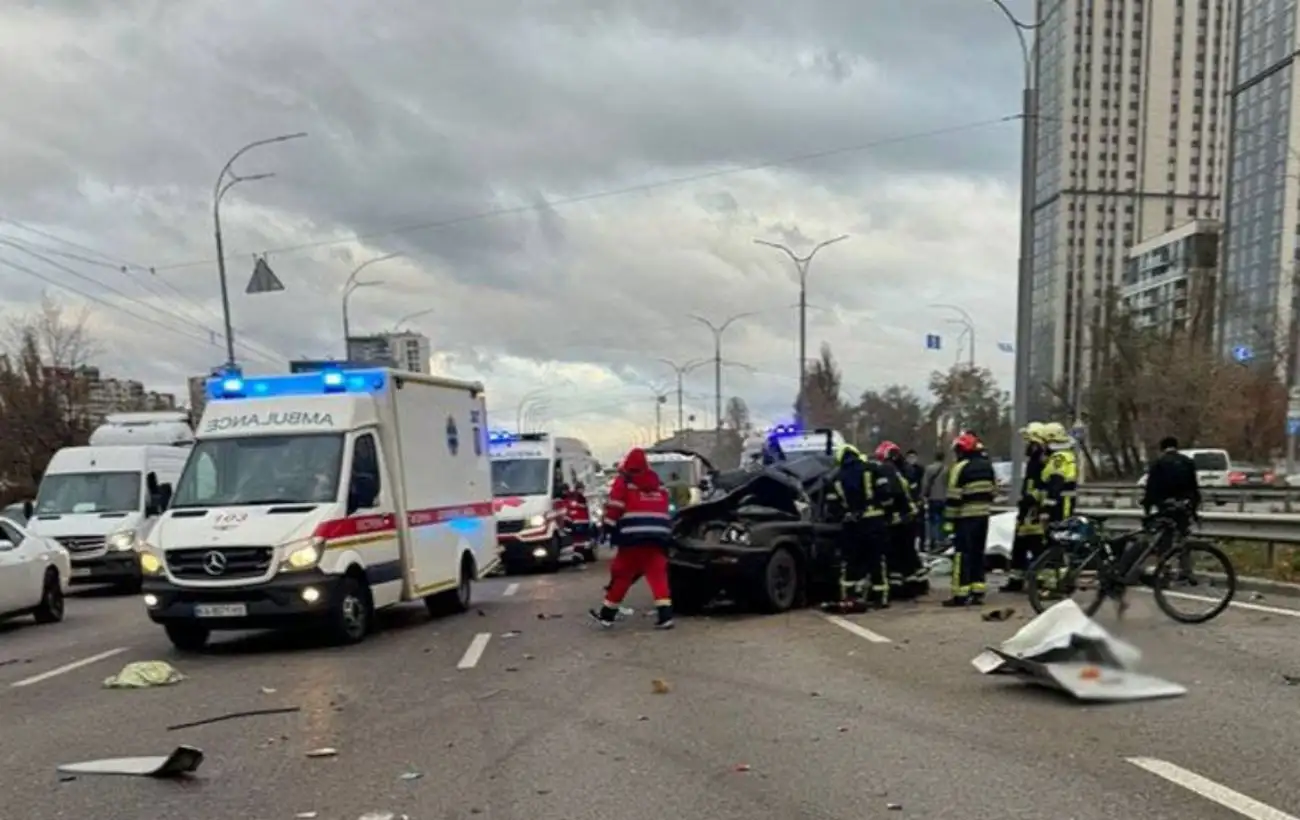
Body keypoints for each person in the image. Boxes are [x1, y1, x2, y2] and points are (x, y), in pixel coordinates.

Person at [589, 447, 675, 629]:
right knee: (657, 575)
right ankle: (665, 616)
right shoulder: (657, 482)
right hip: (659, 537)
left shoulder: (624, 481)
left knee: (622, 574)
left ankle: (607, 615)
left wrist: (607, 528)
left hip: (633, 537)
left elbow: (615, 506)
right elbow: (666, 505)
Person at [826, 443, 890, 609]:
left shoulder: (836, 477)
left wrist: (845, 514)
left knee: (850, 561)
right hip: (874, 522)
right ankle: (880, 598)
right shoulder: (872, 469)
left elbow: (832, 506)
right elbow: (886, 493)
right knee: (876, 560)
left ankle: (849, 597)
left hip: (851, 525)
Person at [942, 431, 996, 607]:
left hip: (965, 517)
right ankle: (978, 591)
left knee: (962, 555)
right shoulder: (988, 466)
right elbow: (993, 491)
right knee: (978, 553)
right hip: (983, 516)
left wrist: (949, 521)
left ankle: (961, 593)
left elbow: (954, 496)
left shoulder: (960, 467)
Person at [874, 441, 926, 599]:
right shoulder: (907, 470)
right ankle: (917, 584)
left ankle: (899, 589)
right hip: (911, 516)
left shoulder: (888, 470)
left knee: (896, 556)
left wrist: (886, 511)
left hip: (899, 519)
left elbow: (891, 495)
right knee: (909, 554)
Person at [1004, 422, 1048, 593]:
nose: (1028, 445)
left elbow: (1042, 488)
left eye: (1030, 442)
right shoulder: (1034, 461)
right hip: (1026, 511)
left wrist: (1032, 500)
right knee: (1019, 547)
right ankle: (1016, 580)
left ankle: (1040, 581)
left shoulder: (1042, 461)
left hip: (1034, 511)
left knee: (1036, 547)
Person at [1141, 436, 1201, 515]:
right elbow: (1193, 485)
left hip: (1165, 503)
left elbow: (1151, 486)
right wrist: (1194, 507)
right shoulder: (1187, 462)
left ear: (1162, 449)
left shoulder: (1158, 463)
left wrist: (1147, 507)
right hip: (1184, 502)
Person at [1039, 422, 1079, 526]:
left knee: (1059, 531)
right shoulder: (1066, 454)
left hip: (1061, 506)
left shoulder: (1059, 458)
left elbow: (1055, 484)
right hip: (1064, 503)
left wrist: (1046, 510)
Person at [920, 451, 947, 551]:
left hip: (933, 498)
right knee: (942, 520)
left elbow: (925, 483)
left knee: (933, 521)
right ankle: (942, 539)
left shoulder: (929, 469)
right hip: (944, 498)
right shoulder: (946, 469)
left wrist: (923, 495)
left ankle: (933, 540)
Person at [564, 482, 593, 557]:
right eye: (582, 489)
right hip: (579, 522)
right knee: (579, 542)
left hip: (577, 523)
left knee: (578, 541)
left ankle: (579, 558)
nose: (583, 490)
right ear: (579, 489)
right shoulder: (579, 497)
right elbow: (579, 509)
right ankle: (578, 559)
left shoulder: (574, 497)